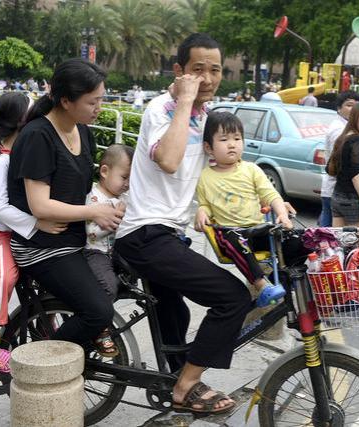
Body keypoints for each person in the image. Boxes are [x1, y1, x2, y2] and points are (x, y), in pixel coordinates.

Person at [114, 33, 248, 415]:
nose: (208, 78)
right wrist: (184, 100)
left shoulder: (206, 116)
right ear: (179, 71)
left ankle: (178, 378)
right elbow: (169, 161)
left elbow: (223, 173)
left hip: (169, 234)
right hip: (144, 234)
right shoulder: (162, 109)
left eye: (215, 70)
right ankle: (186, 384)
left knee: (177, 313)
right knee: (232, 297)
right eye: (197, 70)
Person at [7, 58, 125, 354]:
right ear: (65, 101)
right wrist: (94, 212)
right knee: (98, 312)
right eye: (92, 102)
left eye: (101, 100)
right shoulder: (37, 136)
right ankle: (41, 361)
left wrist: (109, 206)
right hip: (43, 247)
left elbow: (85, 190)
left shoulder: (83, 132)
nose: (99, 107)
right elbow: (40, 205)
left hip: (76, 239)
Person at [0, 92, 66, 372]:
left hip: (21, 230)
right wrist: (37, 223)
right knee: (5, 277)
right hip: (1, 233)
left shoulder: (18, 153)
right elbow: (1, 210)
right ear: (20, 121)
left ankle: (45, 320)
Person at [194, 111, 299, 307]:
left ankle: (295, 278)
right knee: (232, 237)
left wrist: (283, 215)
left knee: (294, 239)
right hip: (230, 233)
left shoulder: (251, 169)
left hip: (256, 230)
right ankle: (262, 285)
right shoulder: (205, 177)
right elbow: (206, 204)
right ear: (209, 147)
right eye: (224, 139)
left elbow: (271, 195)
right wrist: (202, 211)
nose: (232, 144)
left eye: (237, 138)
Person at [83, 144, 134, 357]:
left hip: (112, 250)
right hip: (94, 251)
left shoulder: (121, 197)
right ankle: (99, 326)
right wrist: (116, 218)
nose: (127, 184)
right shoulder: (94, 197)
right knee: (108, 286)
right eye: (124, 177)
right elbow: (92, 232)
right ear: (104, 171)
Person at [326, 103, 359, 227]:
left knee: (339, 242)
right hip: (352, 198)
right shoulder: (356, 140)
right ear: (354, 118)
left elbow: (329, 168)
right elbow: (355, 174)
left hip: (337, 196)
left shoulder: (343, 137)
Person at [319, 91, 359, 227]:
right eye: (349, 105)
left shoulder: (348, 127)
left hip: (335, 189)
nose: (354, 109)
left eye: (357, 105)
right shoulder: (339, 130)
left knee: (328, 230)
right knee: (331, 233)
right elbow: (346, 164)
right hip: (336, 189)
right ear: (338, 108)